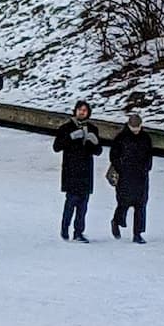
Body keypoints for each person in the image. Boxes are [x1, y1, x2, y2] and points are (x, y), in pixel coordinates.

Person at [53, 100, 102, 242]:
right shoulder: (66, 128)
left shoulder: (93, 128)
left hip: (86, 171)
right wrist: (71, 137)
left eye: (85, 110)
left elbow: (98, 151)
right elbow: (56, 147)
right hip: (71, 170)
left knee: (83, 205)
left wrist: (94, 142)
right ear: (75, 111)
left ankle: (79, 232)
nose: (82, 112)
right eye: (80, 110)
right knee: (71, 202)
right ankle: (65, 229)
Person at [109, 114, 153, 244]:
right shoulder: (121, 138)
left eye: (137, 127)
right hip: (125, 176)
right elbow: (114, 156)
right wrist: (120, 168)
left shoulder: (145, 138)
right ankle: (116, 221)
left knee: (141, 205)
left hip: (141, 176)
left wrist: (147, 168)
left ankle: (137, 233)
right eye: (133, 127)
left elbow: (149, 155)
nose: (135, 130)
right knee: (124, 203)